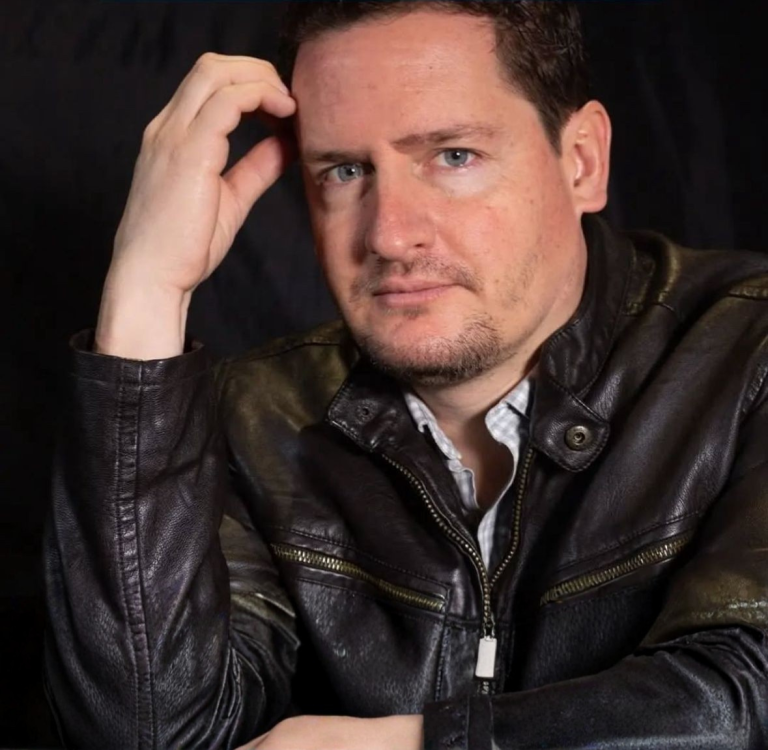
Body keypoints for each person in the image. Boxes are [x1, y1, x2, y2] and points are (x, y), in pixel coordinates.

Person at [44, 2, 768, 748]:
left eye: (453, 156)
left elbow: (748, 694)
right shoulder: (253, 418)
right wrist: (146, 295)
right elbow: (150, 732)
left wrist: (418, 744)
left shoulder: (746, 349)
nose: (389, 235)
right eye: (346, 171)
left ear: (581, 159)